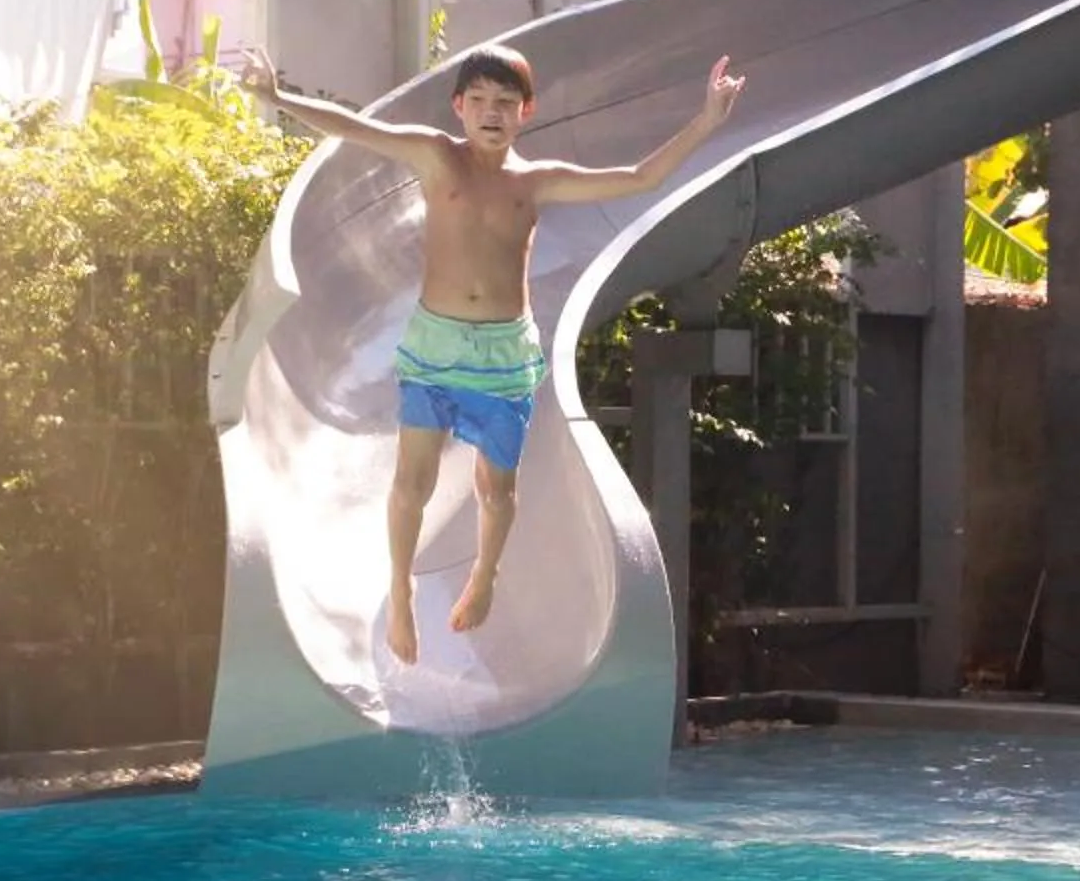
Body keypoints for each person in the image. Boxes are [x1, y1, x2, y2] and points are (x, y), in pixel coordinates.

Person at [243, 43, 748, 664]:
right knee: (413, 479)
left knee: (497, 486)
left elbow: (638, 178)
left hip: (504, 352)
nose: (490, 113)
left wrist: (706, 120)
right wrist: (276, 98)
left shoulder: (533, 182)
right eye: (478, 101)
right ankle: (399, 587)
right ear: (458, 107)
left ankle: (485, 574)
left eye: (505, 104)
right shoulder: (434, 155)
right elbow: (357, 130)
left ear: (525, 113)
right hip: (435, 344)